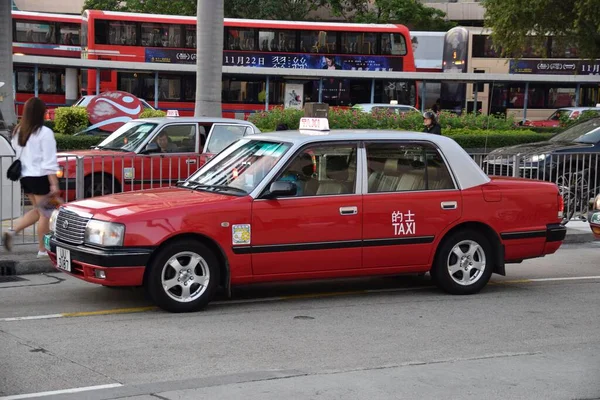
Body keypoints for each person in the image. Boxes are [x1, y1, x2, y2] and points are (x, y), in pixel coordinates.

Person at [3, 98, 60, 257]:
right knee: (46, 214)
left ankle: (11, 231)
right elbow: (49, 161)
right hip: (40, 177)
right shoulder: (44, 132)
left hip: (25, 177)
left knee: (38, 211)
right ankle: (43, 250)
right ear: (41, 113)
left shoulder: (18, 130)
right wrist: (54, 183)